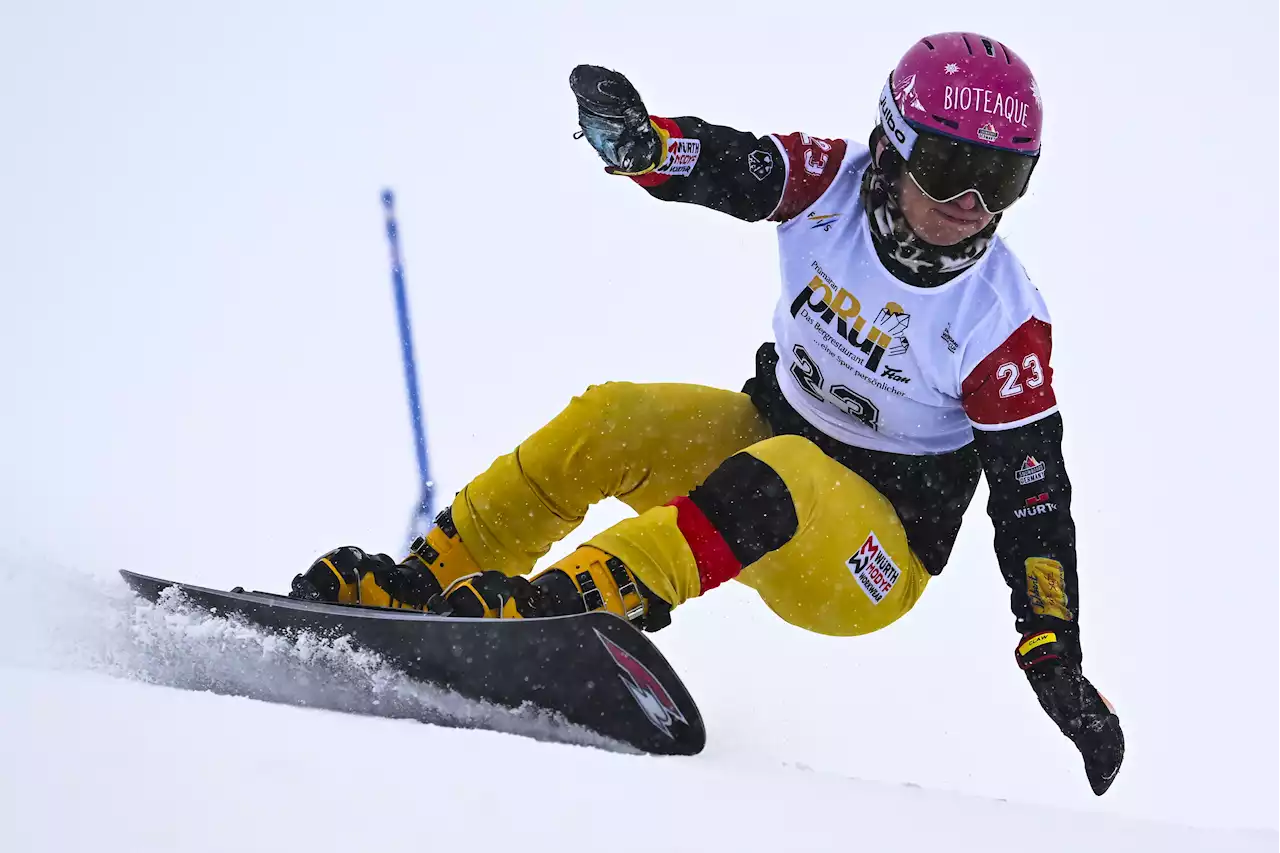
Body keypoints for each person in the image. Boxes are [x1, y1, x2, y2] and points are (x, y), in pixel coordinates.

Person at [291, 32, 1124, 794]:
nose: (974, 202)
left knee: (786, 475)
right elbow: (729, 164)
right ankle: (420, 587)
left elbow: (1034, 499)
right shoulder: (828, 183)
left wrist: (1053, 649)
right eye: (950, 168)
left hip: (871, 557)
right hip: (768, 445)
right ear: (894, 146)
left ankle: (566, 607)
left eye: (1004, 179)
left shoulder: (1001, 321)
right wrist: (642, 146)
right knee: (611, 418)